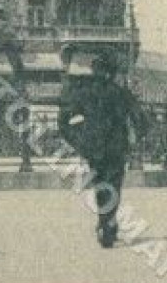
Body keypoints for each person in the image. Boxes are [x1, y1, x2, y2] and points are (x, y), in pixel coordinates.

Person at [59, 50, 149, 248]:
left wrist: (78, 138)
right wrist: (134, 139)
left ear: (94, 72)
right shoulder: (121, 93)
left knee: (100, 184)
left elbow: (63, 121)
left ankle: (104, 222)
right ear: (111, 73)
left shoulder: (84, 93)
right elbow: (142, 121)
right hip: (117, 146)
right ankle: (107, 224)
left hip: (94, 147)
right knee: (114, 185)